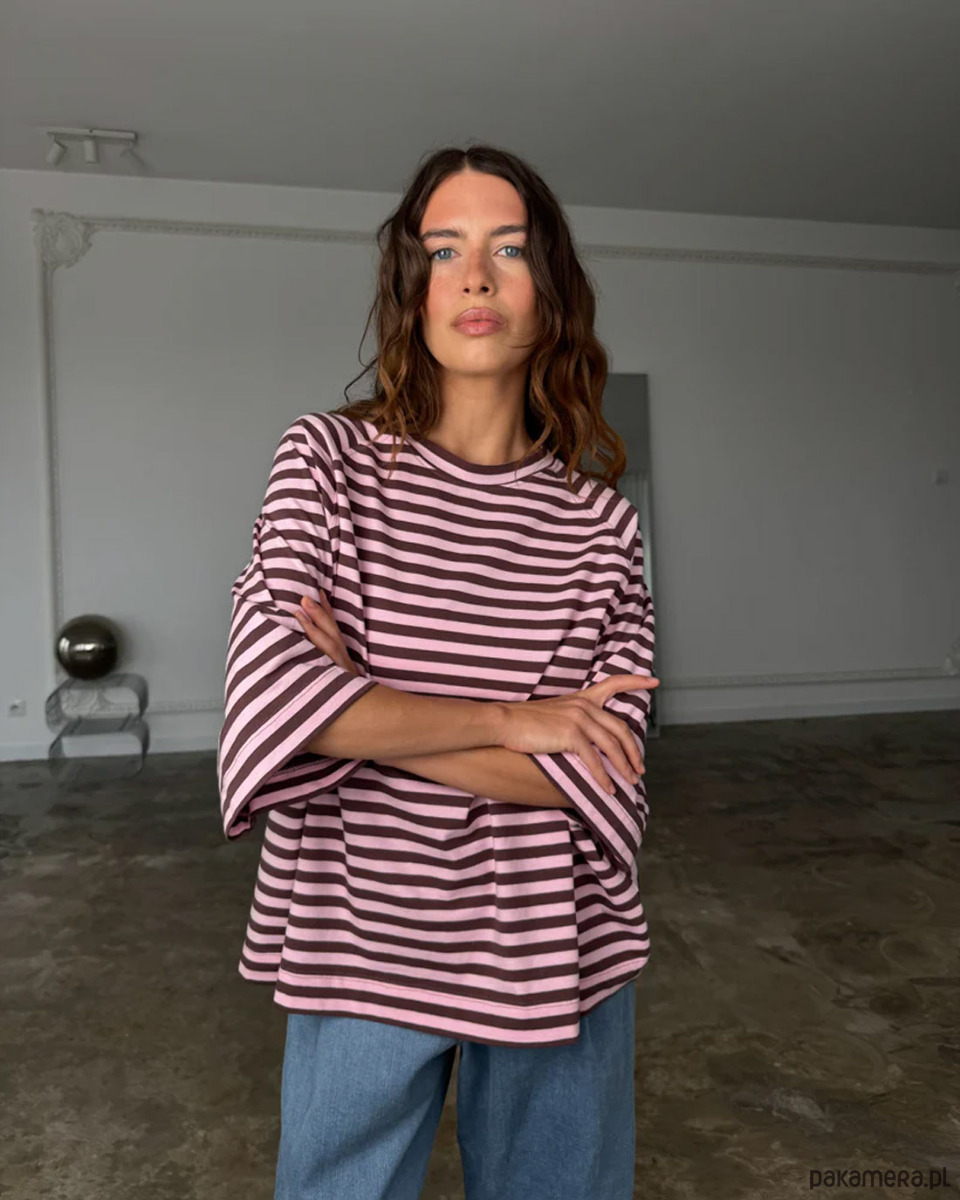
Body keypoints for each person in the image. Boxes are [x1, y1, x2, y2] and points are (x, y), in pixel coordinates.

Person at [216, 143, 659, 1200]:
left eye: (509, 249)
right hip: (359, 937)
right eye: (445, 250)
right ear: (411, 289)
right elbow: (271, 703)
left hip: (560, 946)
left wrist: (361, 706)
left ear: (550, 290)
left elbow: (608, 777)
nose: (476, 278)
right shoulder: (326, 463)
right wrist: (516, 722)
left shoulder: (602, 526)